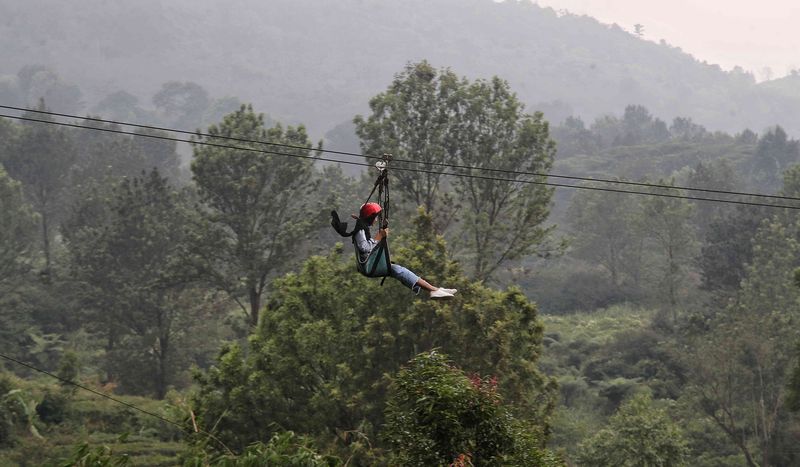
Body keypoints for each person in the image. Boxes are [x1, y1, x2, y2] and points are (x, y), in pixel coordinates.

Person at [354, 202, 456, 299]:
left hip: (370, 264)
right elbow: (364, 248)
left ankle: (434, 289)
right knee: (399, 270)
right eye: (375, 217)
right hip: (369, 266)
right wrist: (379, 237)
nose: (376, 220)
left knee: (400, 271)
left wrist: (380, 235)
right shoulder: (360, 229)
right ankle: (433, 290)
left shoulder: (362, 227)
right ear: (370, 217)